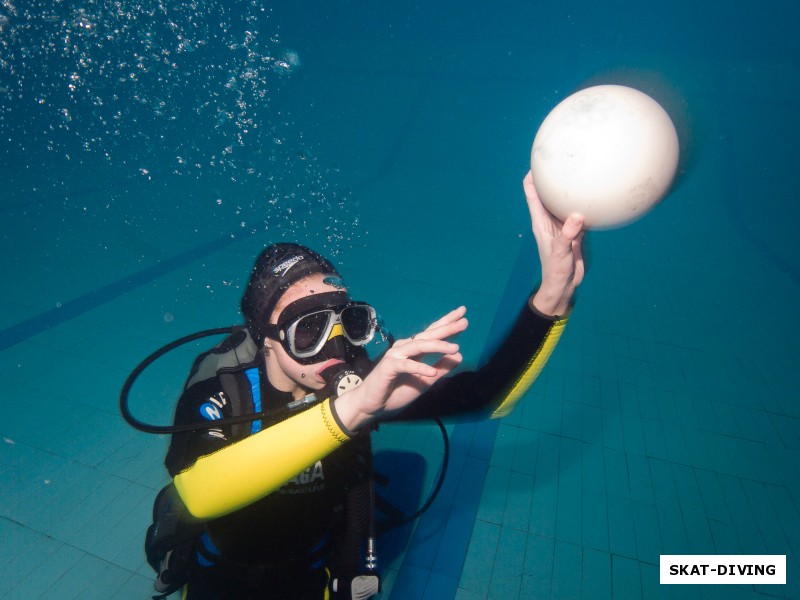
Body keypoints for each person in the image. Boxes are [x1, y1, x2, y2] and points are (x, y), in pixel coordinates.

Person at [159, 171, 585, 599]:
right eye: (309, 329)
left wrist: (553, 294)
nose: (336, 346)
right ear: (266, 339)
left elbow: (487, 395)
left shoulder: (357, 384)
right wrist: (354, 410)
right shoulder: (223, 390)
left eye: (349, 322)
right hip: (217, 578)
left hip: (313, 574)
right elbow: (197, 493)